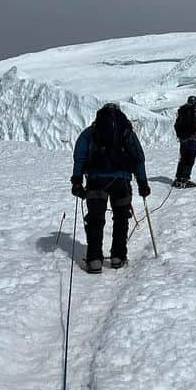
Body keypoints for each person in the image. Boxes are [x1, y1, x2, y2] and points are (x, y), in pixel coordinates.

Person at [71, 103, 150, 273]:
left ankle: (94, 260)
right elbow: (138, 158)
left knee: (95, 219)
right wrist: (142, 183)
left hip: (96, 180)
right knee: (121, 218)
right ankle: (118, 257)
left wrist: (77, 180)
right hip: (121, 181)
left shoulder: (90, 132)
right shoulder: (126, 132)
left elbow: (79, 156)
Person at [173, 95, 196, 188]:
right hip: (193, 140)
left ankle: (178, 178)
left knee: (183, 159)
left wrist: (180, 136)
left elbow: (176, 125)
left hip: (183, 140)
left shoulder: (182, 112)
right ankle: (185, 179)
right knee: (190, 159)